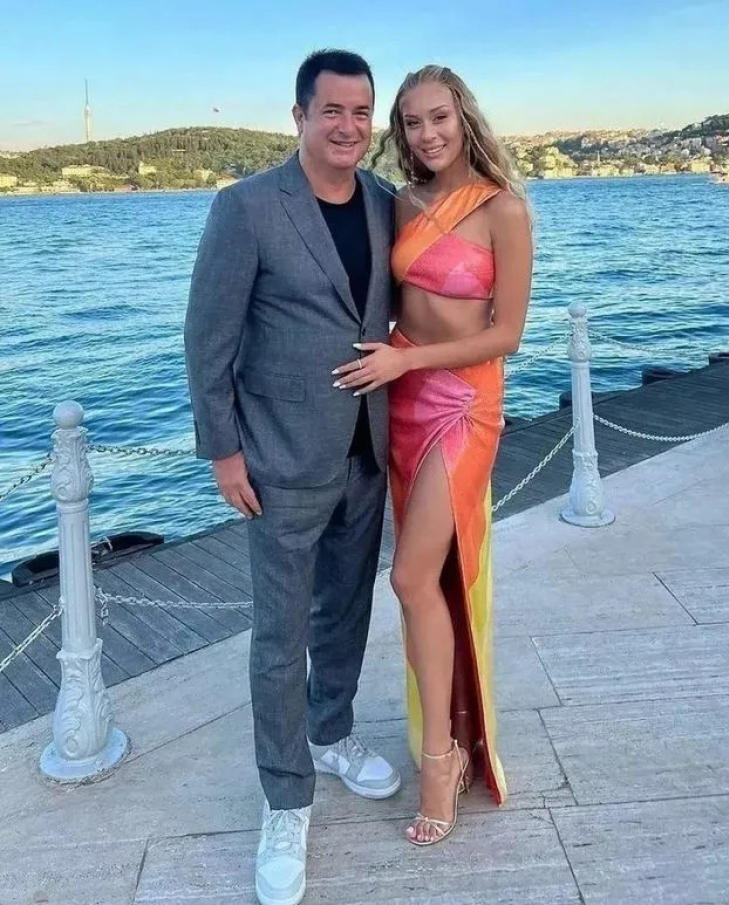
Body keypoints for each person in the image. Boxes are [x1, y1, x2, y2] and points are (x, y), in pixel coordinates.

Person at [184, 49, 401, 905]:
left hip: (366, 451)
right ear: (300, 115)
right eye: (332, 110)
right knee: (280, 638)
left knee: (347, 610)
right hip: (278, 459)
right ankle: (285, 798)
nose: (348, 126)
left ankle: (331, 730)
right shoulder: (246, 207)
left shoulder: (384, 202)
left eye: (361, 111)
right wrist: (224, 452)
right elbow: (208, 338)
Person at [333, 65, 532, 845]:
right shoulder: (399, 202)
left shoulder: (502, 208)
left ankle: (441, 759)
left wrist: (405, 361)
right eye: (412, 122)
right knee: (427, 581)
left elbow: (506, 333)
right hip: (402, 400)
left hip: (462, 404)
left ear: (463, 117)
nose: (426, 134)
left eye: (438, 117)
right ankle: (444, 733)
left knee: (411, 575)